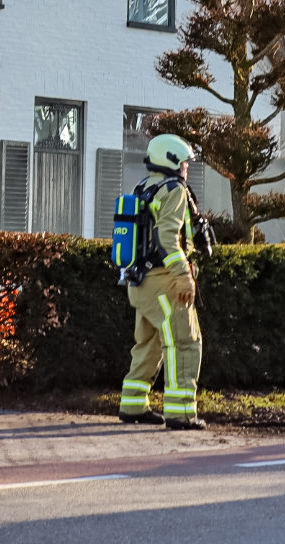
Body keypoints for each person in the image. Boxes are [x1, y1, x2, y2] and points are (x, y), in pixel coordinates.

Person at [117, 133, 207, 430]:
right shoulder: (174, 190)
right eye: (183, 162)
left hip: (139, 281)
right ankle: (181, 414)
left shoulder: (144, 187)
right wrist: (183, 275)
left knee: (149, 343)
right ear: (170, 161)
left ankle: (133, 405)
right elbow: (167, 236)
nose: (186, 168)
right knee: (185, 342)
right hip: (164, 282)